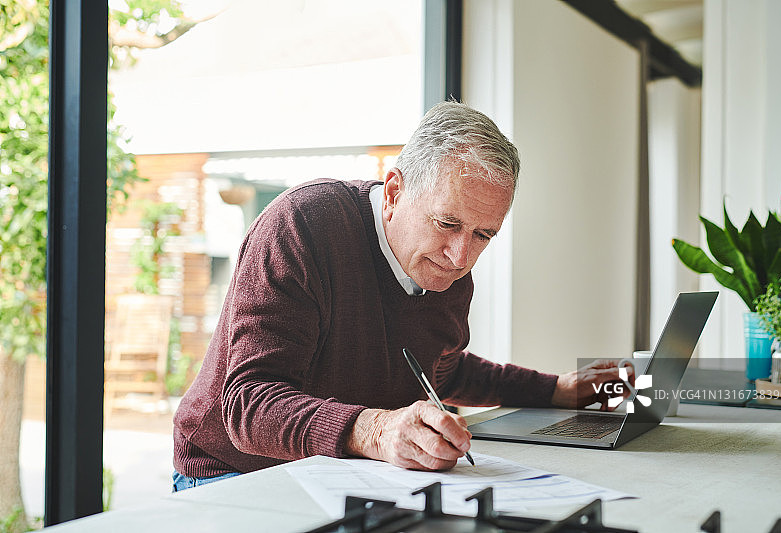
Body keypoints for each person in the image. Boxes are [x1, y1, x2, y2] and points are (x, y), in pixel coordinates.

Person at [171, 101, 625, 491]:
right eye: (447, 223)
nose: (461, 256)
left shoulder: (446, 269)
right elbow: (249, 405)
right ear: (393, 192)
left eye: (483, 234)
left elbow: (440, 368)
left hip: (342, 469)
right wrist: (377, 430)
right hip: (235, 469)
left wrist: (555, 390)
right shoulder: (302, 225)